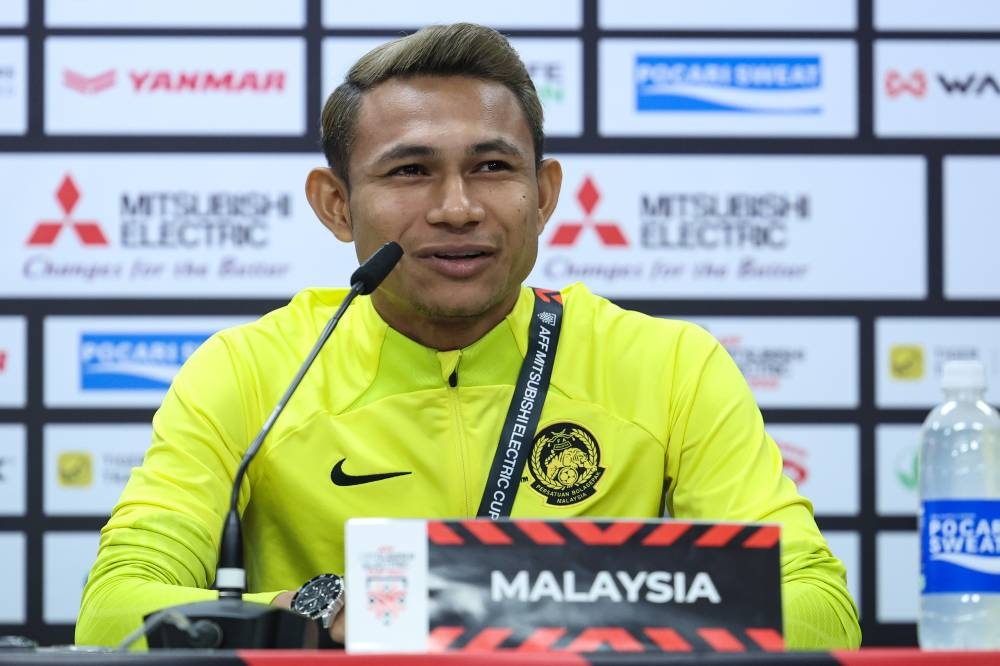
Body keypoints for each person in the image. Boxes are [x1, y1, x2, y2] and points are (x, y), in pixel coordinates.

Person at [75, 22, 861, 650]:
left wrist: (533, 605)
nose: (457, 207)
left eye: (491, 167)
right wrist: (309, 610)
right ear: (337, 205)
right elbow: (115, 613)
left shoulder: (668, 366)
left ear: (544, 193)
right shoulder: (251, 372)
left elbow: (819, 609)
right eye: (410, 171)